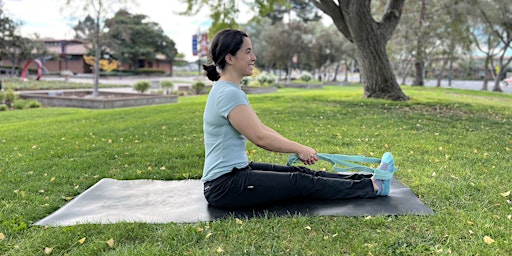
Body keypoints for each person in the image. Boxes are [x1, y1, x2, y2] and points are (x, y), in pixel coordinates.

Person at [201, 29, 397, 209]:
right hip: (224, 186)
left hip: (235, 174)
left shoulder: (228, 90)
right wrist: (298, 148)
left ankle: (370, 180)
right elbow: (260, 138)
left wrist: (299, 147)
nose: (254, 57)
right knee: (301, 182)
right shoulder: (227, 93)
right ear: (230, 58)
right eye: (248, 52)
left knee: (302, 174)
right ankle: (373, 187)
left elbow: (260, 128)